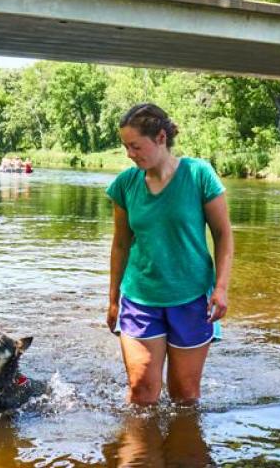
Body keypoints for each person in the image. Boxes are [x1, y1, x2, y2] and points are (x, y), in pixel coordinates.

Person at [105, 103, 234, 405]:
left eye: (135, 146)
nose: (129, 154)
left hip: (191, 299)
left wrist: (221, 288)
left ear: (161, 138)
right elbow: (121, 244)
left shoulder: (199, 175)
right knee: (141, 392)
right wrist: (112, 299)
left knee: (184, 396)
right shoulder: (125, 185)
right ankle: (140, 451)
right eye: (125, 146)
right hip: (139, 298)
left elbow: (223, 234)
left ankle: (180, 452)